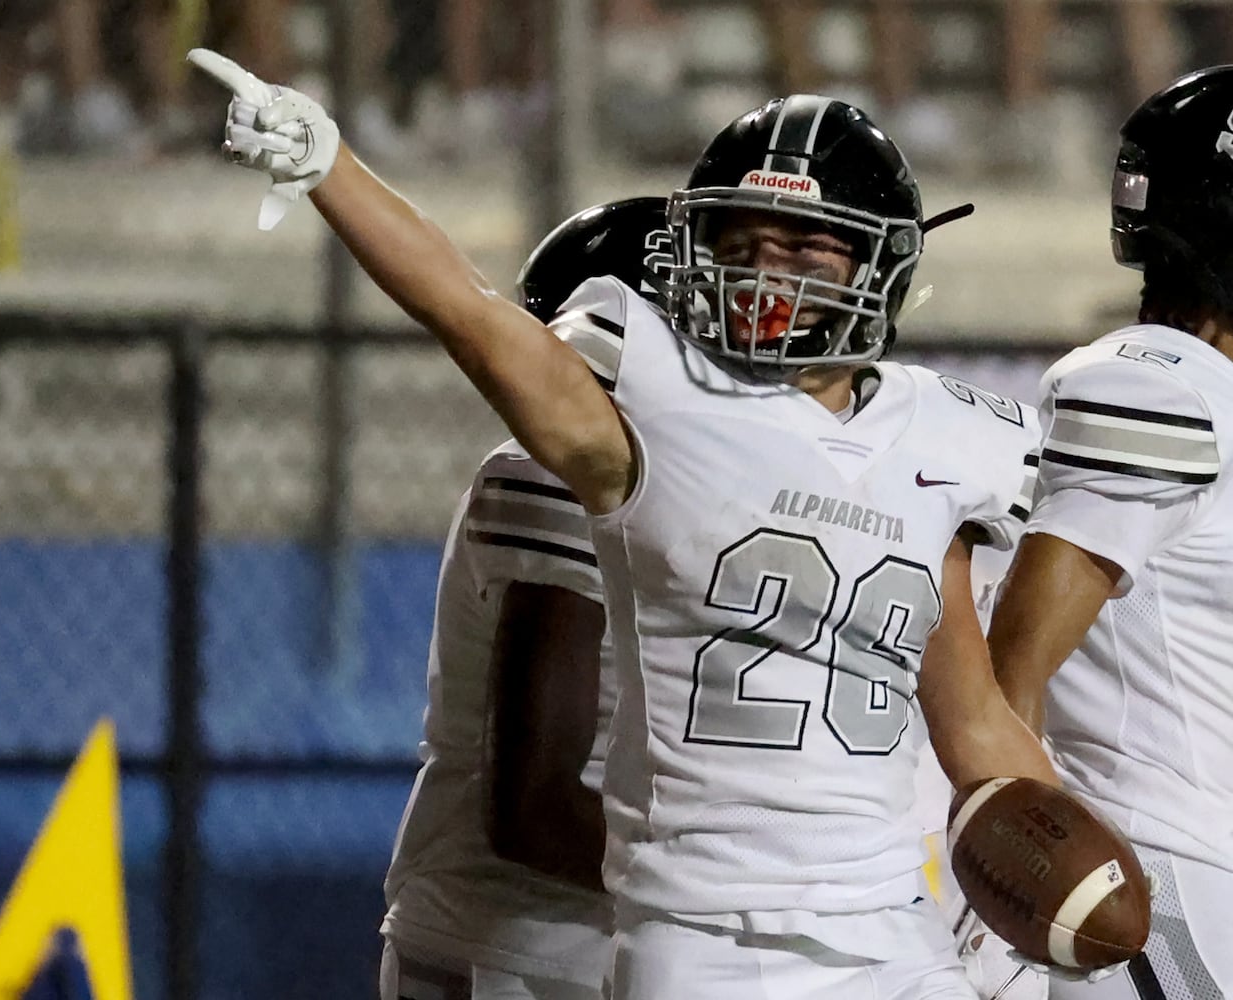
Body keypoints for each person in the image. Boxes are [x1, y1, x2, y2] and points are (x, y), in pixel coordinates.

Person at [189, 47, 1068, 996]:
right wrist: (333, 169)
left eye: (804, 249)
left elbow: (974, 716)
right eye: (740, 246)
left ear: (882, 263)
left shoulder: (941, 437)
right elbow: (472, 314)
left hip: (886, 928)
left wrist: (1060, 860)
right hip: (684, 933)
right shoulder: (653, 399)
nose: (764, 281)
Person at [987, 64, 1233, 998]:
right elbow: (1014, 664)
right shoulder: (1155, 388)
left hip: (1206, 875)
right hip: (1146, 876)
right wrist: (1021, 877)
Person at [379, 197, 670, 1000]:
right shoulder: (555, 473)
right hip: (523, 951)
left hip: (574, 945)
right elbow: (534, 805)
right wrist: (722, 894)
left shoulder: (653, 482)